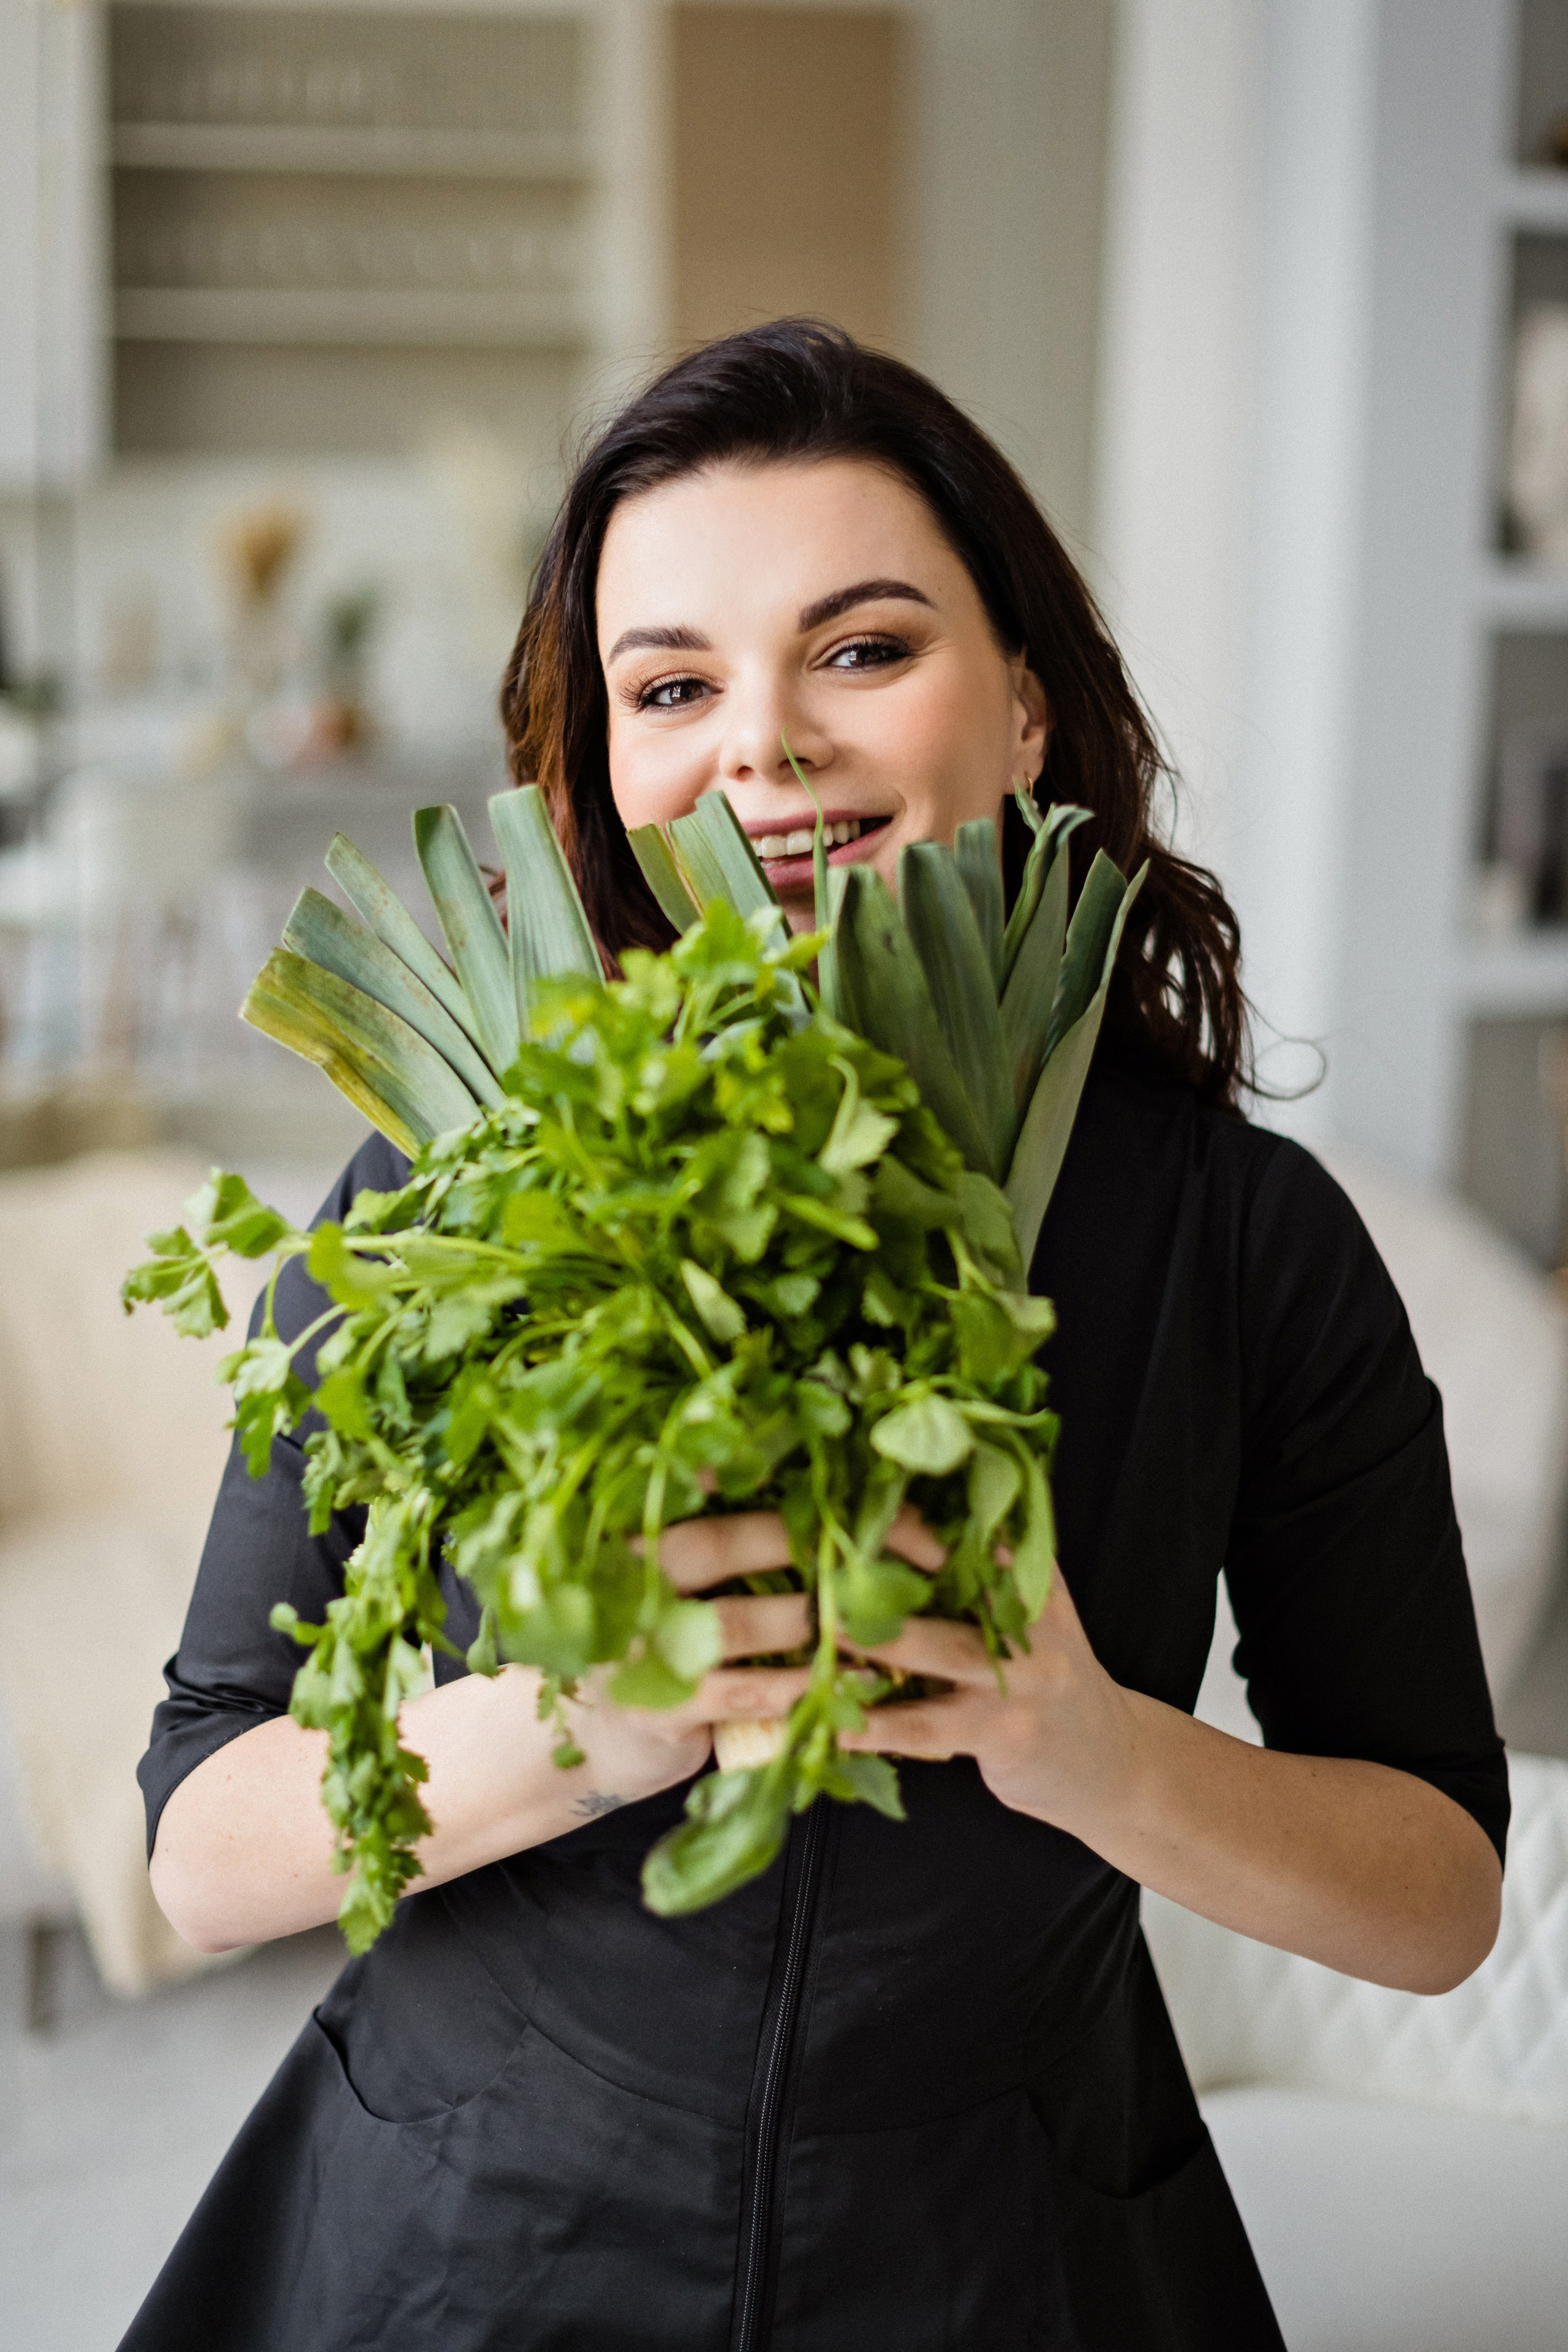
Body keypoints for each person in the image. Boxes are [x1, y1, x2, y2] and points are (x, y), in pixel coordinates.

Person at [124, 322, 1507, 2352]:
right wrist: (567, 1729)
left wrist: (1095, 1749)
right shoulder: (451, 1179)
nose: (763, 749)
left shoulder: (1246, 1244)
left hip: (1006, 2259)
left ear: (1024, 708)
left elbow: (1441, 1895)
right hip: (463, 2244)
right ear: (605, 767)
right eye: (673, 686)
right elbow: (201, 1848)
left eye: (861, 649)